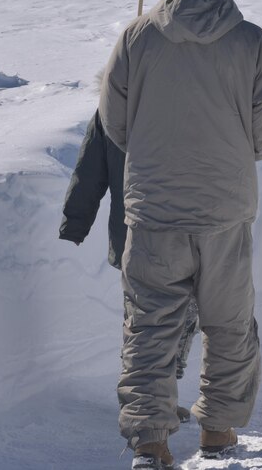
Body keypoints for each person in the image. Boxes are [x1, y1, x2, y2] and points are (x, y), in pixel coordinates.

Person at [99, 0, 262, 469]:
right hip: (224, 212)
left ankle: (150, 444)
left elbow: (115, 123)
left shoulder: (137, 37)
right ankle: (218, 432)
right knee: (229, 325)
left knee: (149, 326)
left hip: (154, 211)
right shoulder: (251, 41)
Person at [57, 110, 199, 420]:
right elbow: (91, 168)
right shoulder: (116, 109)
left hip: (146, 237)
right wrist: (75, 222)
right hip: (173, 233)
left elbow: (89, 171)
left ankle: (153, 399)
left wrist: (75, 221)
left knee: (150, 321)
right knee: (170, 319)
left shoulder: (116, 107)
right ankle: (145, 400)